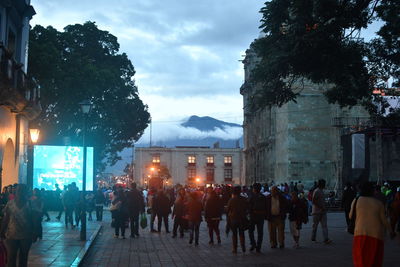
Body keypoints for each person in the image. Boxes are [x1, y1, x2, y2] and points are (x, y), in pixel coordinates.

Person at [351, 182, 395, 267]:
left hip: (360, 233)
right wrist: (391, 231)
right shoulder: (378, 203)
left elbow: (350, 216)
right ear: (372, 191)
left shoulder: (356, 201)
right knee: (374, 260)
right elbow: (384, 220)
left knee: (360, 259)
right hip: (376, 235)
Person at [0, 184, 38, 267]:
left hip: (26, 235)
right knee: (11, 257)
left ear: (25, 192)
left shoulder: (30, 204)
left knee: (23, 258)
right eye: (18, 190)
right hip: (11, 234)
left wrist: (35, 232)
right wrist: (2, 230)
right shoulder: (10, 204)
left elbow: (35, 219)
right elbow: (6, 218)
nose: (19, 192)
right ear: (15, 192)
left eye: (22, 190)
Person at [226, 186, 248, 253]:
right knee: (242, 233)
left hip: (234, 219)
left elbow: (228, 210)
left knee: (234, 234)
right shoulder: (244, 199)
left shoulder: (231, 200)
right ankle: (243, 246)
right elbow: (247, 208)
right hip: (242, 218)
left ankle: (234, 248)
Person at [311, 179, 332, 244]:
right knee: (315, 226)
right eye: (324, 184)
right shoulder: (316, 191)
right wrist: (321, 207)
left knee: (324, 226)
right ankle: (313, 238)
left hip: (322, 211)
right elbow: (313, 201)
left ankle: (326, 239)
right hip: (317, 212)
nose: (325, 185)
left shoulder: (321, 191)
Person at [247, 183, 267, 252]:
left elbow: (249, 207)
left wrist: (249, 214)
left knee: (250, 231)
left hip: (253, 216)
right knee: (260, 232)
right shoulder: (263, 197)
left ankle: (253, 244)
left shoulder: (252, 197)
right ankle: (258, 246)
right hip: (261, 216)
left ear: (254, 189)